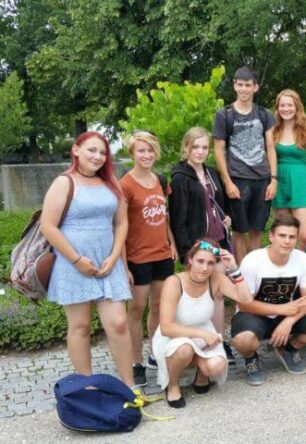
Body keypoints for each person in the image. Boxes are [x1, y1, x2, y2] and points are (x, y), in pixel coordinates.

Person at [40, 131, 137, 389]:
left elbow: (121, 222)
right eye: (92, 150)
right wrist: (77, 259)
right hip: (74, 264)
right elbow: (48, 226)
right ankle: (87, 385)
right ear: (76, 150)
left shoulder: (111, 184)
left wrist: (115, 257)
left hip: (108, 263)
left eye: (102, 152)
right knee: (80, 326)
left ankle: (129, 385)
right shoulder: (64, 182)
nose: (97, 156)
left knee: (117, 324)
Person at [231, 217, 306, 386]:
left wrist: (289, 320)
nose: (287, 241)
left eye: (292, 237)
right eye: (282, 235)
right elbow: (244, 303)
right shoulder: (253, 260)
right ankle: (251, 359)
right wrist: (283, 309)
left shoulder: (302, 258)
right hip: (255, 314)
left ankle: (288, 348)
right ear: (271, 236)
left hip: (289, 312)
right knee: (243, 340)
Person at [152, 239, 253, 408]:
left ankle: (201, 373)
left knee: (216, 366)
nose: (205, 268)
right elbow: (166, 327)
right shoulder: (174, 282)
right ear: (190, 259)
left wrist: (234, 269)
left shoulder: (217, 279)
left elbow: (246, 298)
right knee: (185, 349)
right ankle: (173, 384)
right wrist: (203, 335)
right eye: (200, 261)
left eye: (211, 263)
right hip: (175, 334)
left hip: (202, 330)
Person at [169, 127, 234, 361]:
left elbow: (220, 203)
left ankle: (217, 339)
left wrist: (226, 217)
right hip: (198, 246)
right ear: (186, 147)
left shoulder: (212, 173)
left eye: (204, 147)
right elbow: (178, 219)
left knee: (217, 295)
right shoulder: (179, 178)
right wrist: (188, 251)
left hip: (219, 239)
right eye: (195, 146)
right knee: (208, 295)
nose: (200, 151)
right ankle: (208, 340)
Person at [120, 131, 177, 386]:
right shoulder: (125, 185)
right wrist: (123, 265)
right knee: (136, 310)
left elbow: (164, 217)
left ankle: (155, 352)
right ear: (133, 153)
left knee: (158, 307)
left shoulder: (160, 180)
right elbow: (119, 226)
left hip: (162, 254)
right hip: (138, 257)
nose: (146, 155)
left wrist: (172, 243)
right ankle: (136, 361)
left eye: (150, 151)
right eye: (141, 151)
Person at [213, 66, 277, 263]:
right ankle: (240, 275)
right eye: (240, 85)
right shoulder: (224, 114)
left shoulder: (264, 114)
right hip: (238, 179)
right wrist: (227, 182)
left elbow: (270, 147)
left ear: (255, 87)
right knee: (240, 231)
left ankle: (253, 274)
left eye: (248, 85)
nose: (244, 89)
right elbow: (218, 150)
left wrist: (274, 179)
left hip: (262, 178)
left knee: (257, 230)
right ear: (234, 85)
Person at [271, 89, 306, 248]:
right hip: (280, 181)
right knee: (283, 233)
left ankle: (303, 268)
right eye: (282, 105)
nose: (286, 109)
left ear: (297, 107)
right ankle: (284, 268)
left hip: (301, 182)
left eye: (290, 105)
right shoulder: (273, 130)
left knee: (304, 236)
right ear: (278, 108)